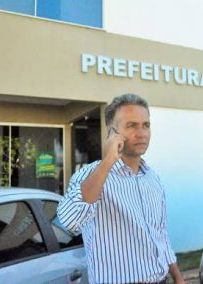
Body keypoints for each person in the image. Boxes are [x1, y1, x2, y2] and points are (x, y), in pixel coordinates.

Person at [58, 93, 185, 284]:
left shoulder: (152, 178)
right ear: (112, 132)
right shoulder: (90, 175)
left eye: (146, 125)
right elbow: (70, 221)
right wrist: (108, 160)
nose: (141, 133)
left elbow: (160, 234)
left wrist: (177, 277)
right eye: (132, 125)